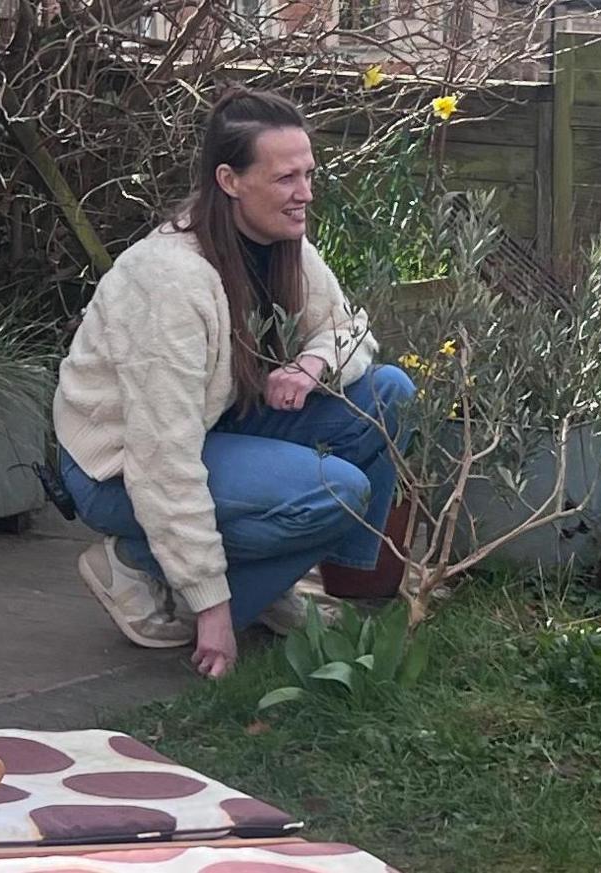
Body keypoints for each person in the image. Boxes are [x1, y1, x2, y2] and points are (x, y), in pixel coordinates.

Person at [52, 87, 415, 679]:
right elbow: (162, 459)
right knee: (335, 489)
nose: (305, 194)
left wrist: (312, 364)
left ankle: (281, 575)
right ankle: (140, 563)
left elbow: (351, 330)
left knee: (388, 390)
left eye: (308, 174)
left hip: (217, 426)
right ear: (229, 179)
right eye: (285, 178)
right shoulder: (168, 283)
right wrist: (216, 606)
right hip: (119, 469)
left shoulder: (285, 244)